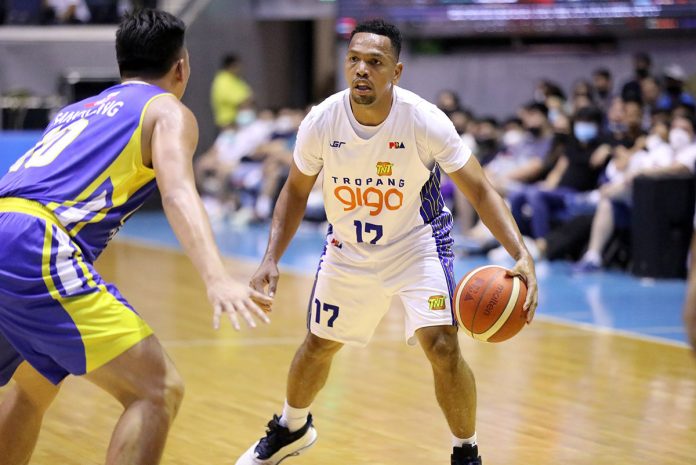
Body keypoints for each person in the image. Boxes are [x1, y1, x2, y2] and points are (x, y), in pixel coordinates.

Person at [235, 18, 538, 465]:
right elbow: (295, 191)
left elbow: (480, 189)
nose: (361, 70)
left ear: (395, 72)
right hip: (348, 248)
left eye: (375, 62)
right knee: (318, 345)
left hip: (418, 244)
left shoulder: (424, 121)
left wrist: (520, 253)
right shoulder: (322, 121)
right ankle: (291, 427)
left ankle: (466, 452)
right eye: (354, 59)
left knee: (442, 345)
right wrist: (270, 258)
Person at [0, 9, 271, 465]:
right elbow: (179, 191)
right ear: (181, 66)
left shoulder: (73, 112)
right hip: (35, 242)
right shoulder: (166, 109)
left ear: (120, 63)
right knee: (156, 389)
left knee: (32, 383)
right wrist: (216, 276)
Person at [210, 53, 253, 131]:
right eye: (238, 66)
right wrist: (246, 100)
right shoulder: (222, 80)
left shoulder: (236, 80)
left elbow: (249, 95)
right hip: (229, 123)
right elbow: (240, 101)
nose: (240, 68)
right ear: (232, 66)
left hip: (240, 121)